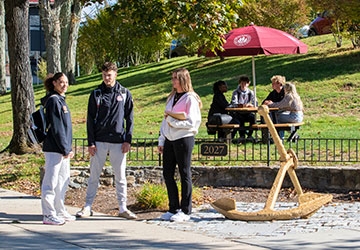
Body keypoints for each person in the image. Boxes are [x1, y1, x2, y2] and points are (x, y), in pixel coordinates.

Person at [76, 62, 137, 220]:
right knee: (94, 176)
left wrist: (128, 140)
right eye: (104, 75)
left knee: (120, 177)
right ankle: (87, 206)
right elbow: (89, 119)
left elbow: (129, 118)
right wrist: (91, 142)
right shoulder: (96, 93)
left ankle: (123, 207)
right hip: (99, 141)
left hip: (118, 141)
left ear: (115, 74)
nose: (106, 78)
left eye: (109, 75)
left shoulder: (124, 93)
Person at [157, 68, 202, 222]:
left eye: (176, 78)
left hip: (184, 138)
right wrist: (161, 140)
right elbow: (165, 120)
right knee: (167, 173)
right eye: (172, 78)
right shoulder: (172, 97)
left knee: (184, 173)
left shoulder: (191, 98)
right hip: (170, 139)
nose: (173, 81)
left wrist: (173, 122)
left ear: (183, 79)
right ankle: (173, 207)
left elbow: (193, 122)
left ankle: (185, 210)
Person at [41, 72, 75, 225]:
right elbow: (56, 128)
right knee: (51, 182)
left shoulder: (61, 100)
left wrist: (67, 148)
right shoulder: (54, 101)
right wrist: (65, 148)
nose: (64, 85)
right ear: (54, 83)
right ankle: (48, 214)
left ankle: (59, 209)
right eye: (61, 82)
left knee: (62, 181)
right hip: (55, 149)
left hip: (63, 149)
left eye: (66, 82)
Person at [230, 75, 256, 142]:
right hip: (239, 112)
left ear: (248, 84)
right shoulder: (236, 92)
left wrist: (251, 105)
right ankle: (242, 136)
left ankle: (250, 135)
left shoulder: (251, 93)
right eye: (242, 83)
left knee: (253, 118)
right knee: (239, 119)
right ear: (240, 83)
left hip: (248, 112)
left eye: (245, 83)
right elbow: (234, 103)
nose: (243, 85)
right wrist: (241, 105)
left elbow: (255, 103)